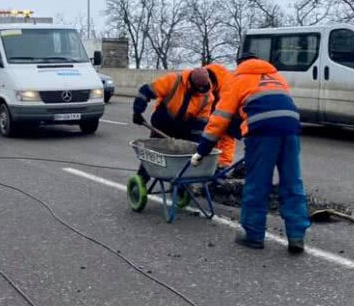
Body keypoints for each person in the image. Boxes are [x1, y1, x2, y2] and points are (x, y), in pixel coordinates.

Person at [190, 53, 311, 253]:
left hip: (261, 131)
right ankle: (297, 236)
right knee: (292, 182)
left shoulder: (238, 79)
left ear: (240, 65)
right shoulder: (276, 77)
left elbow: (220, 119)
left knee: (258, 183)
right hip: (291, 128)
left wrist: (201, 151)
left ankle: (253, 234)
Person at [132, 68, 213, 180]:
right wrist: (137, 111)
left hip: (185, 125)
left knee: (184, 153)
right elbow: (146, 91)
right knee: (155, 149)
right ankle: (142, 177)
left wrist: (195, 143)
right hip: (163, 120)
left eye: (202, 88)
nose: (199, 90)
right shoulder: (173, 80)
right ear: (191, 82)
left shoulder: (207, 97)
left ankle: (180, 180)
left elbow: (200, 123)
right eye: (197, 88)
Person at [204, 63, 237, 169]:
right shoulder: (202, 77)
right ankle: (211, 162)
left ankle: (223, 165)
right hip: (216, 103)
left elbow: (226, 112)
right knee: (210, 133)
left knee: (226, 135)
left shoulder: (227, 86)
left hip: (228, 109)